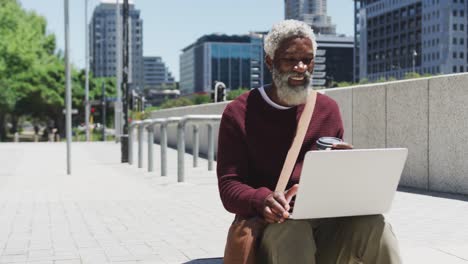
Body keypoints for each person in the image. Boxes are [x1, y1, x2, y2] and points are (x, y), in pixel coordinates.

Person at [217, 20, 401, 264]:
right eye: (290, 59)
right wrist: (262, 200)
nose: (301, 67)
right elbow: (229, 187)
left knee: (374, 225)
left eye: (307, 59)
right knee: (293, 231)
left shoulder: (327, 109)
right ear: (270, 61)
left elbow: (333, 180)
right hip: (273, 231)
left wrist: (348, 168)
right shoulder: (238, 112)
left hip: (325, 225)